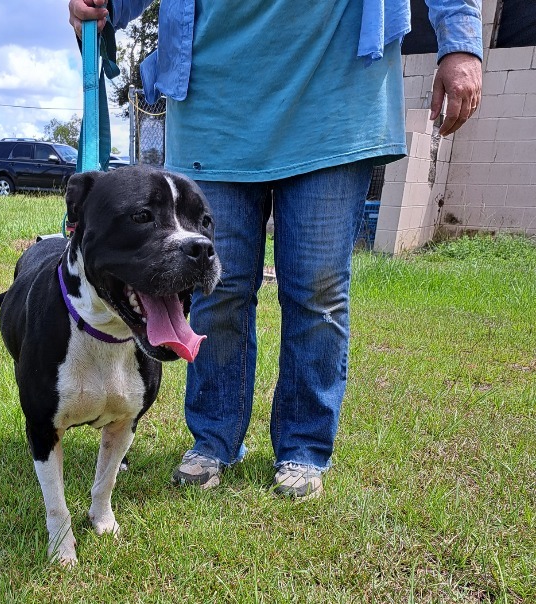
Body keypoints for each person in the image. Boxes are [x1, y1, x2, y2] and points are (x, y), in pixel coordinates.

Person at [68, 0, 483, 497]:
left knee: (317, 291)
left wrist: (460, 40)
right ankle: (214, 440)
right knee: (215, 288)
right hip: (214, 100)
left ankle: (304, 449)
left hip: (336, 92)